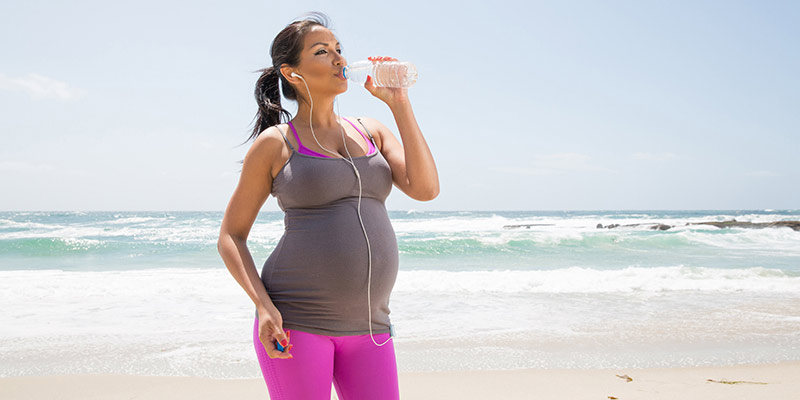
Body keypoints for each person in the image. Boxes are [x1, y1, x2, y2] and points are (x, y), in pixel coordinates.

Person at [217, 11, 439, 400]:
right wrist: (264, 308)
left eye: (339, 49)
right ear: (291, 73)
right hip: (297, 322)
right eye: (323, 52)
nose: (339, 59)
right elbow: (231, 236)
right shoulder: (276, 142)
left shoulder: (371, 130)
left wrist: (400, 104)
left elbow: (425, 189)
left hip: (371, 326)